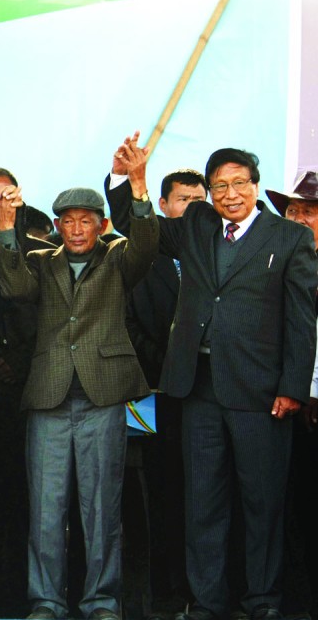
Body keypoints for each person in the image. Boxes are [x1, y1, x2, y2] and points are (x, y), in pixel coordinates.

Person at [106, 135, 318, 620]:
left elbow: (301, 319)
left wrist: (292, 388)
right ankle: (206, 602)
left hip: (261, 393)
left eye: (239, 183)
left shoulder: (289, 237)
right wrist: (130, 179)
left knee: (262, 504)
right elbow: (134, 226)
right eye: (220, 185)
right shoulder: (198, 223)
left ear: (256, 186)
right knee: (203, 502)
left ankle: (262, 601)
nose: (230, 194)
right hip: (197, 387)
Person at [0, 140, 159, 620]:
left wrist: (138, 183)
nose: (77, 228)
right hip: (49, 398)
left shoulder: (118, 257)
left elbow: (147, 244)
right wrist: (6, 227)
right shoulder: (42, 262)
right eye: (68, 220)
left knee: (102, 508)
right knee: (46, 510)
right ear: (58, 226)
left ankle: (102, 601)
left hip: (101, 398)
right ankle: (46, 601)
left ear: (102, 225)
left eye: (87, 220)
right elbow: (13, 287)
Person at [109, 168, 207, 619]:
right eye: (184, 199)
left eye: (199, 199)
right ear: (164, 205)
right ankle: (164, 594)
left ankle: (207, 592)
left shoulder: (216, 249)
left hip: (212, 393)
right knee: (160, 498)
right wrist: (169, 362)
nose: (193, 207)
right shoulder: (144, 254)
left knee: (209, 497)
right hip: (157, 392)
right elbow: (126, 321)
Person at [0, 167, 52, 617]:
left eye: (6, 197)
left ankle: (24, 593)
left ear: (20, 202)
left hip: (29, 389)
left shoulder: (42, 251)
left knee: (28, 493)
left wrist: (19, 361)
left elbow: (51, 316)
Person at [263, 170, 318, 619]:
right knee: (292, 506)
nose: (298, 219)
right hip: (285, 404)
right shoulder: (274, 263)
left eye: (309, 211)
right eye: (292, 211)